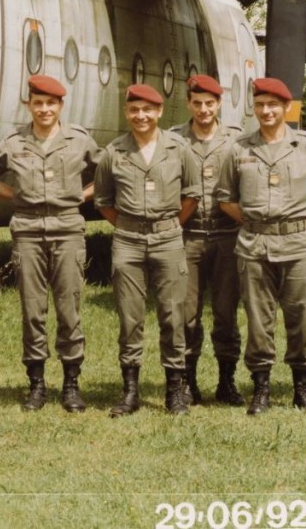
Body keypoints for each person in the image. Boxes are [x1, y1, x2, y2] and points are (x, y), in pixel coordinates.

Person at [217, 77, 306, 415]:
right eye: (260, 105)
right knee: (258, 320)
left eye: (273, 105)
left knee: (301, 317)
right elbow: (226, 198)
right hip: (254, 247)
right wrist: (257, 224)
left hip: (299, 246)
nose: (266, 111)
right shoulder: (239, 148)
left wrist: (296, 224)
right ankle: (261, 389)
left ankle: (301, 389)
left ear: (286, 107)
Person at [0, 74, 100, 413]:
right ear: (29, 105)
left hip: (68, 228)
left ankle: (71, 384)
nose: (43, 109)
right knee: (32, 309)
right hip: (26, 229)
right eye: (37, 103)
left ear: (60, 106)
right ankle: (36, 384)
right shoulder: (13, 143)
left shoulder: (79, 141)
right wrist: (15, 195)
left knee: (69, 307)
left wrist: (78, 196)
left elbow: (105, 174)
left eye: (50, 104)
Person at [94, 83, 201, 416]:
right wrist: (130, 227)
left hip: (169, 239)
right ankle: (130, 392)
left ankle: (174, 391)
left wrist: (167, 226)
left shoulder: (178, 148)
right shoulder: (114, 152)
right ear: (127, 113)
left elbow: (192, 195)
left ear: (158, 112)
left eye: (147, 110)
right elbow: (103, 201)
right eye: (134, 110)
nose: (140, 116)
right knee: (130, 318)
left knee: (173, 315)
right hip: (127, 241)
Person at [170, 75, 244, 405]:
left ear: (219, 104)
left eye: (209, 103)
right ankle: (188, 382)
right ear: (189, 103)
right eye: (197, 103)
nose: (203, 109)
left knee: (226, 312)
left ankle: (227, 381)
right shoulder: (173, 140)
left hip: (227, 236)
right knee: (187, 314)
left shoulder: (237, 141)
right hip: (189, 238)